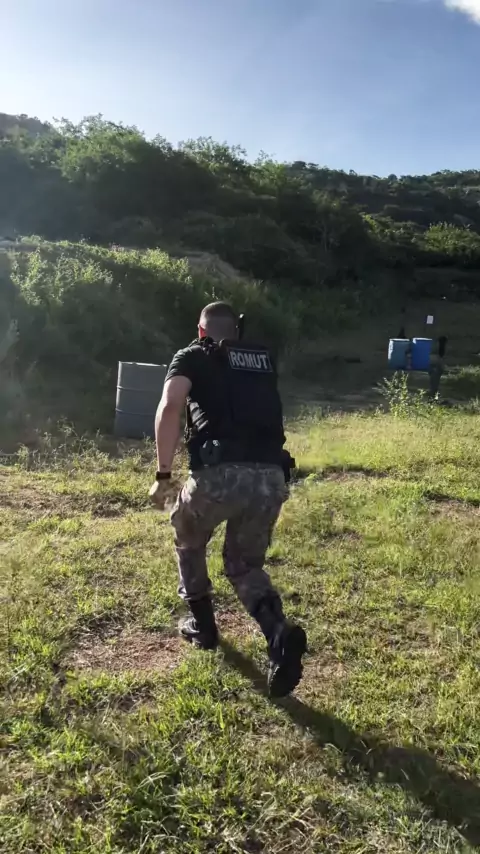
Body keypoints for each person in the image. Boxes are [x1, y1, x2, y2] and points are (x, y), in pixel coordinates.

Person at [149, 301, 307, 697]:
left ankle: (203, 625)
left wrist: (164, 476)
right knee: (244, 565)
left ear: (201, 331)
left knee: (187, 535)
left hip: (219, 477)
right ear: (236, 331)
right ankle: (278, 633)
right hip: (271, 477)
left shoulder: (192, 355)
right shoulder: (261, 360)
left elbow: (171, 406)